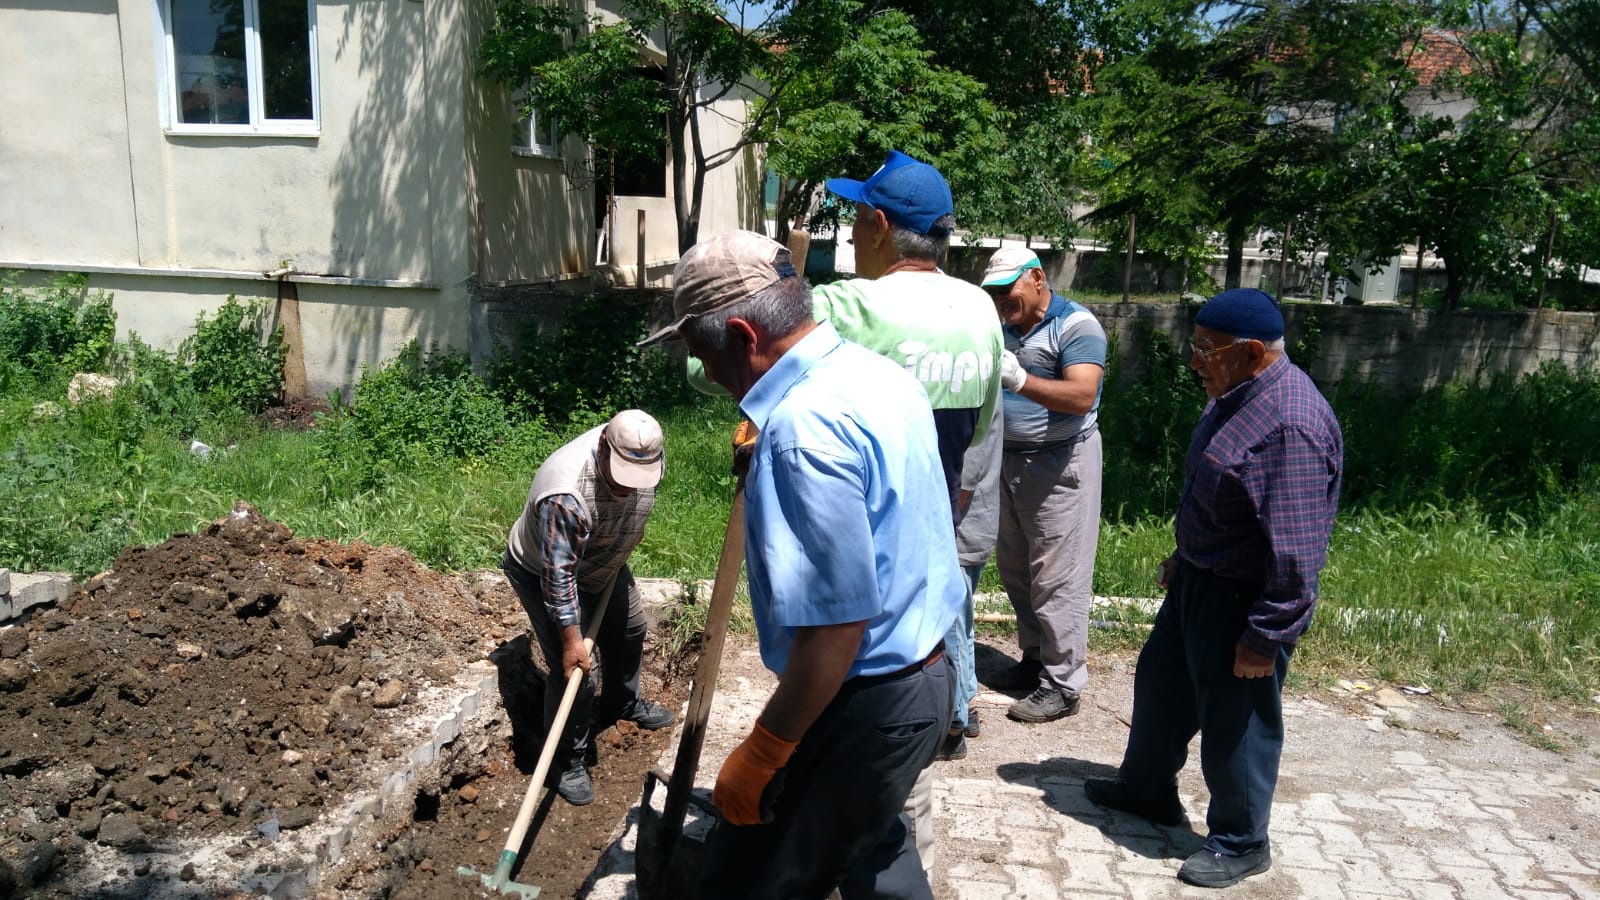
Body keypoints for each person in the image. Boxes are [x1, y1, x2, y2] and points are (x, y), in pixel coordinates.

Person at [644, 230, 962, 899]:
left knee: (754, 879)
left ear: (742, 334)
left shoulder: (804, 428)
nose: (706, 375)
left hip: (863, 701)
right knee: (873, 851)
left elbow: (835, 630)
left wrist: (764, 750)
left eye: (704, 354)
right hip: (922, 681)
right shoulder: (872, 374)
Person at [1084, 288, 1343, 889]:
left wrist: (1267, 635)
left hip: (1244, 601)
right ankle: (1146, 791)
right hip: (1198, 581)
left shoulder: (1290, 423)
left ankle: (1241, 839)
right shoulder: (1235, 395)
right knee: (1162, 688)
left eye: (1206, 349)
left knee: (1239, 724)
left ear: (1252, 352)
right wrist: (1185, 555)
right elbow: (1220, 490)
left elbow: (1298, 550)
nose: (1194, 360)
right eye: (1193, 345)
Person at [500, 410, 677, 806]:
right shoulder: (565, 495)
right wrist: (571, 641)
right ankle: (565, 759)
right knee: (580, 670)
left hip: (602, 563)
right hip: (545, 573)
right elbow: (558, 578)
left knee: (630, 627)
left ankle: (623, 703)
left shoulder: (644, 451)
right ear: (603, 449)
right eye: (620, 478)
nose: (628, 489)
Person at [980, 246, 1107, 724]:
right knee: (1017, 571)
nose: (999, 299)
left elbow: (1081, 394)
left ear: (1036, 278)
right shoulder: (1003, 327)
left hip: (1061, 464)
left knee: (1059, 577)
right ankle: (1035, 658)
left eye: (1006, 288)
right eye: (992, 291)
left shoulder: (1076, 325)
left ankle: (1063, 683)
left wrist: (1020, 379)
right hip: (1007, 462)